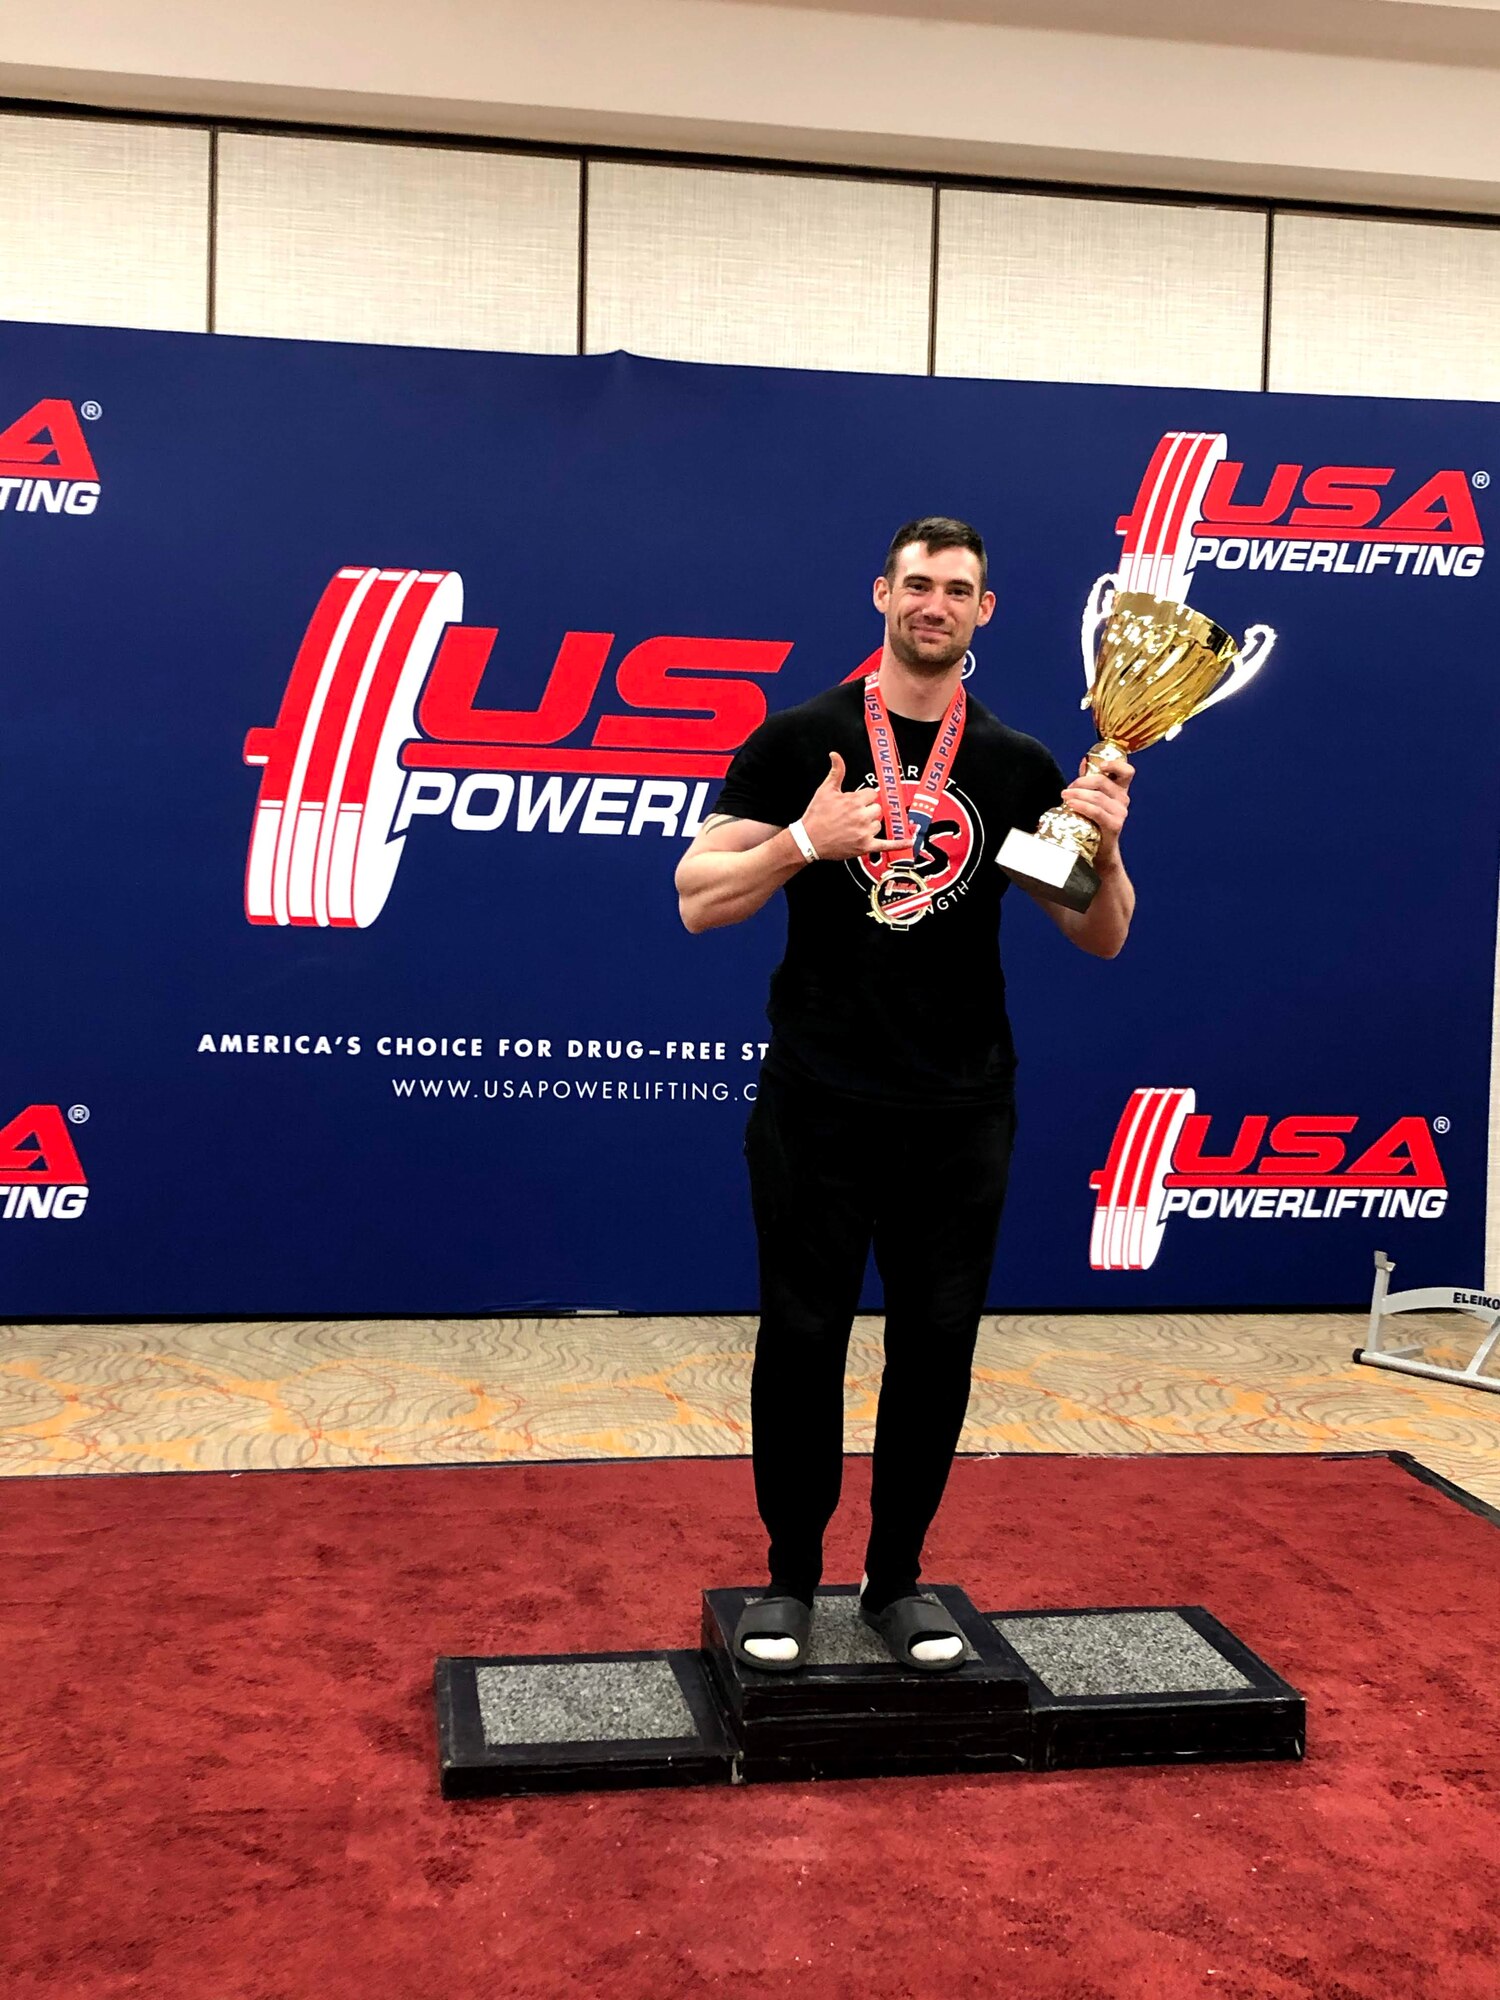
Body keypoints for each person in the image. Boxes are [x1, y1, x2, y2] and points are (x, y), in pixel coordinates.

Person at [674, 517, 1133, 1673]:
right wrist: (803, 839)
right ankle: (788, 1580)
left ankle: (896, 1582)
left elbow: (1097, 934)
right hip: (819, 1096)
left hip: (962, 1107)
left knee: (936, 1346)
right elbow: (695, 895)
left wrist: (1109, 846)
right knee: (803, 1339)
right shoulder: (804, 739)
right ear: (881, 592)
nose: (934, 602)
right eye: (916, 582)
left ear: (986, 611)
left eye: (957, 589)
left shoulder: (1020, 764)